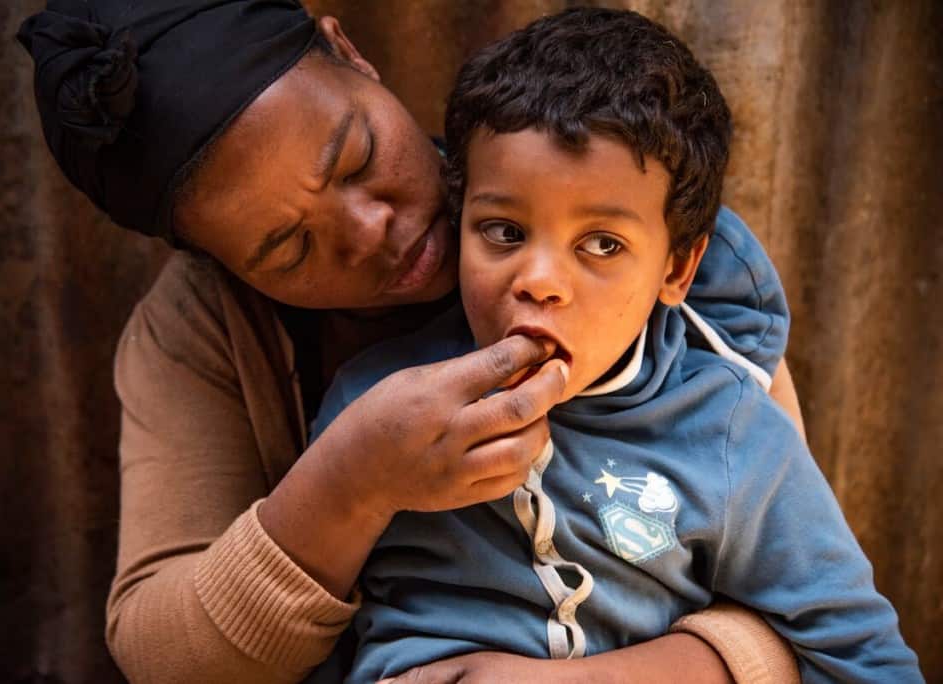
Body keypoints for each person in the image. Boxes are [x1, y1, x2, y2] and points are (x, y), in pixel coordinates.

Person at [16, 1, 808, 681]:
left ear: (353, 53)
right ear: (218, 262)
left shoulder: (630, 238)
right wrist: (353, 482)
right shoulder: (198, 332)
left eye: (358, 156)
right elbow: (161, 655)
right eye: (288, 249)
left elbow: (808, 605)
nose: (374, 229)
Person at [309, 8, 921, 684]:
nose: (539, 282)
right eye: (504, 232)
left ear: (676, 270)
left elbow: (862, 656)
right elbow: (308, 645)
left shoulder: (729, 432)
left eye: (602, 245)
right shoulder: (373, 407)